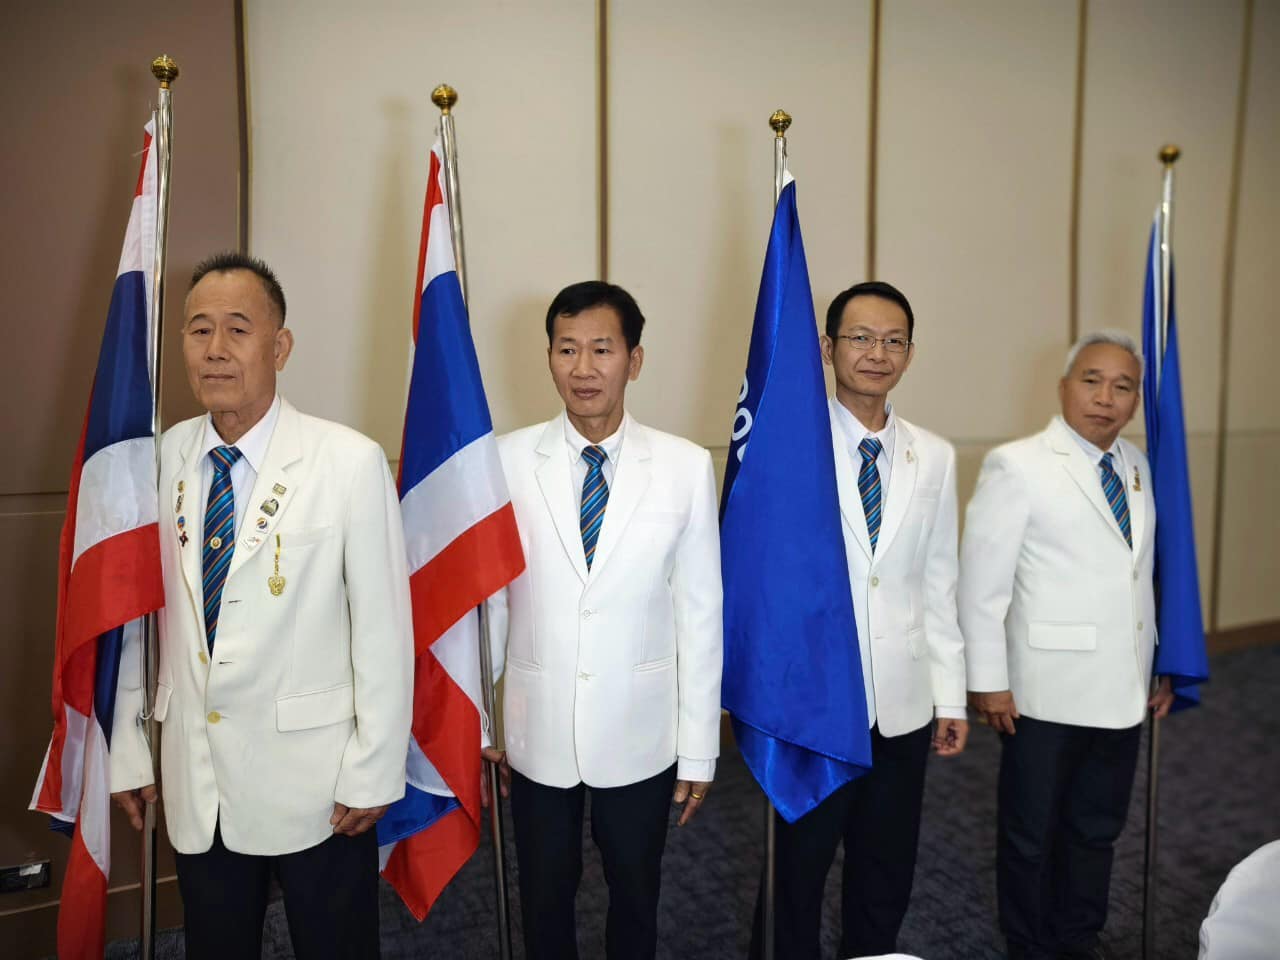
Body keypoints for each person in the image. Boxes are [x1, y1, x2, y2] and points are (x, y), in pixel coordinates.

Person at [109, 252, 413, 959]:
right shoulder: (158, 460)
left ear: (280, 347)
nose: (215, 349)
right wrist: (129, 744)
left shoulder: (347, 462)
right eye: (199, 330)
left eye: (238, 330)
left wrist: (374, 766)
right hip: (200, 776)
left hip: (320, 784)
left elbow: (383, 630)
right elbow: (137, 620)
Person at [481, 281, 723, 960]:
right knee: (543, 896)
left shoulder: (683, 466)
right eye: (566, 349)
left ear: (634, 361)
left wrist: (699, 746)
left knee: (636, 894)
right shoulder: (505, 461)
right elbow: (491, 603)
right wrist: (482, 722)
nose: (583, 368)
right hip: (535, 728)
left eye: (602, 349)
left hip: (642, 730)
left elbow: (700, 613)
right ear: (549, 358)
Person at [750, 281, 968, 959]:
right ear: (827, 347)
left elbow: (939, 580)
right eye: (861, 338)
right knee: (796, 872)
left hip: (902, 703)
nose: (877, 353)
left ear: (909, 352)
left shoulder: (935, 455)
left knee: (885, 869)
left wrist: (950, 694)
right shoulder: (787, 446)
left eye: (893, 340)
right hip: (813, 705)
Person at [960, 331, 1175, 960]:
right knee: (1031, 832)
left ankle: (1078, 936)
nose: (1105, 397)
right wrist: (987, 680)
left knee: (1097, 828)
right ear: (1063, 387)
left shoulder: (1140, 467)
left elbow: (1143, 576)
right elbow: (981, 585)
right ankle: (1029, 943)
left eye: (1122, 386)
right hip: (1043, 690)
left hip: (1123, 686)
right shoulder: (1018, 465)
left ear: (1136, 401)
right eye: (1091, 380)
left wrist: (1160, 660)